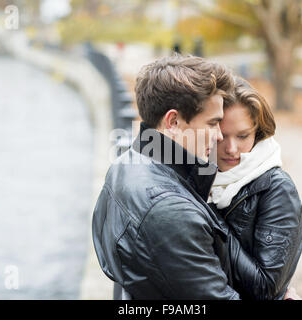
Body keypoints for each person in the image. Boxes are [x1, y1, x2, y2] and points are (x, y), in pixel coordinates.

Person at [92, 54, 246, 299]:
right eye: (212, 123)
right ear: (173, 121)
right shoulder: (169, 210)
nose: (219, 136)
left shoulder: (126, 163)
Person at [208, 77, 302, 300]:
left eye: (243, 136)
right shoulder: (200, 173)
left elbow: (264, 287)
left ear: (258, 132)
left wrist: (209, 218)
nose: (232, 149)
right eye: (222, 136)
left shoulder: (277, 188)